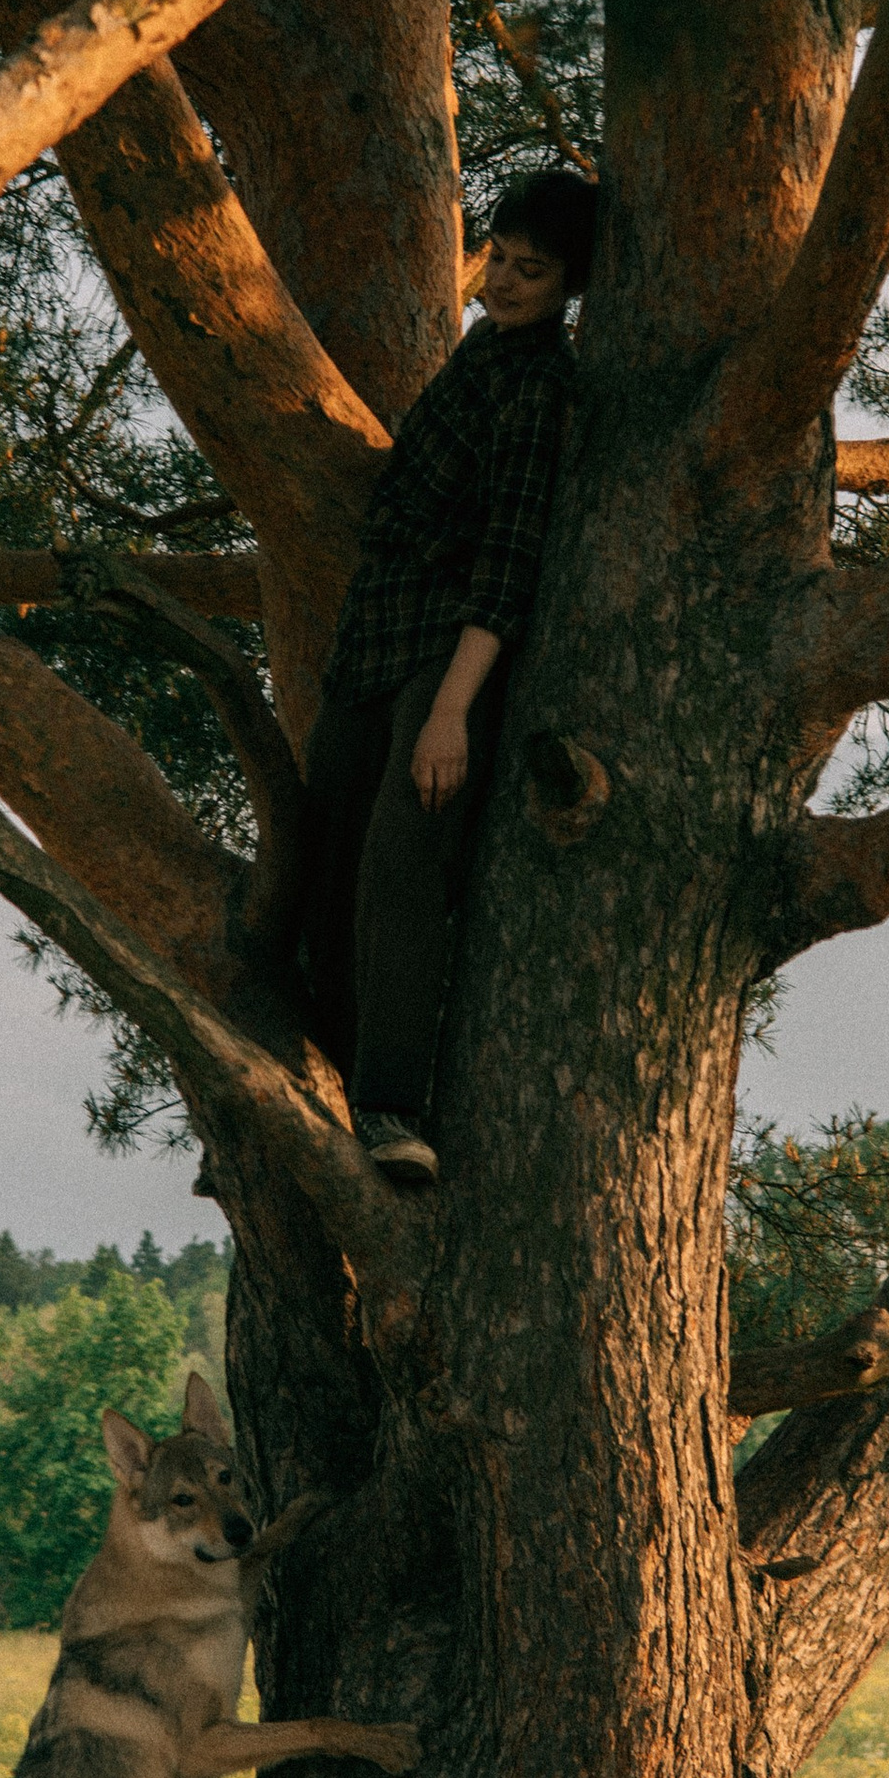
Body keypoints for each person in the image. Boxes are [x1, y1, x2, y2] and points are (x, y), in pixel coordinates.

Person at [299, 167, 599, 1187]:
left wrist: (450, 714)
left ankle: (389, 1110)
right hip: (369, 643)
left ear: (571, 285)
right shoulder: (480, 352)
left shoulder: (539, 386)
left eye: (532, 271)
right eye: (499, 258)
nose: (503, 282)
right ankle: (310, 1090)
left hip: (442, 659)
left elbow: (508, 566)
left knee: (402, 870)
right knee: (324, 869)